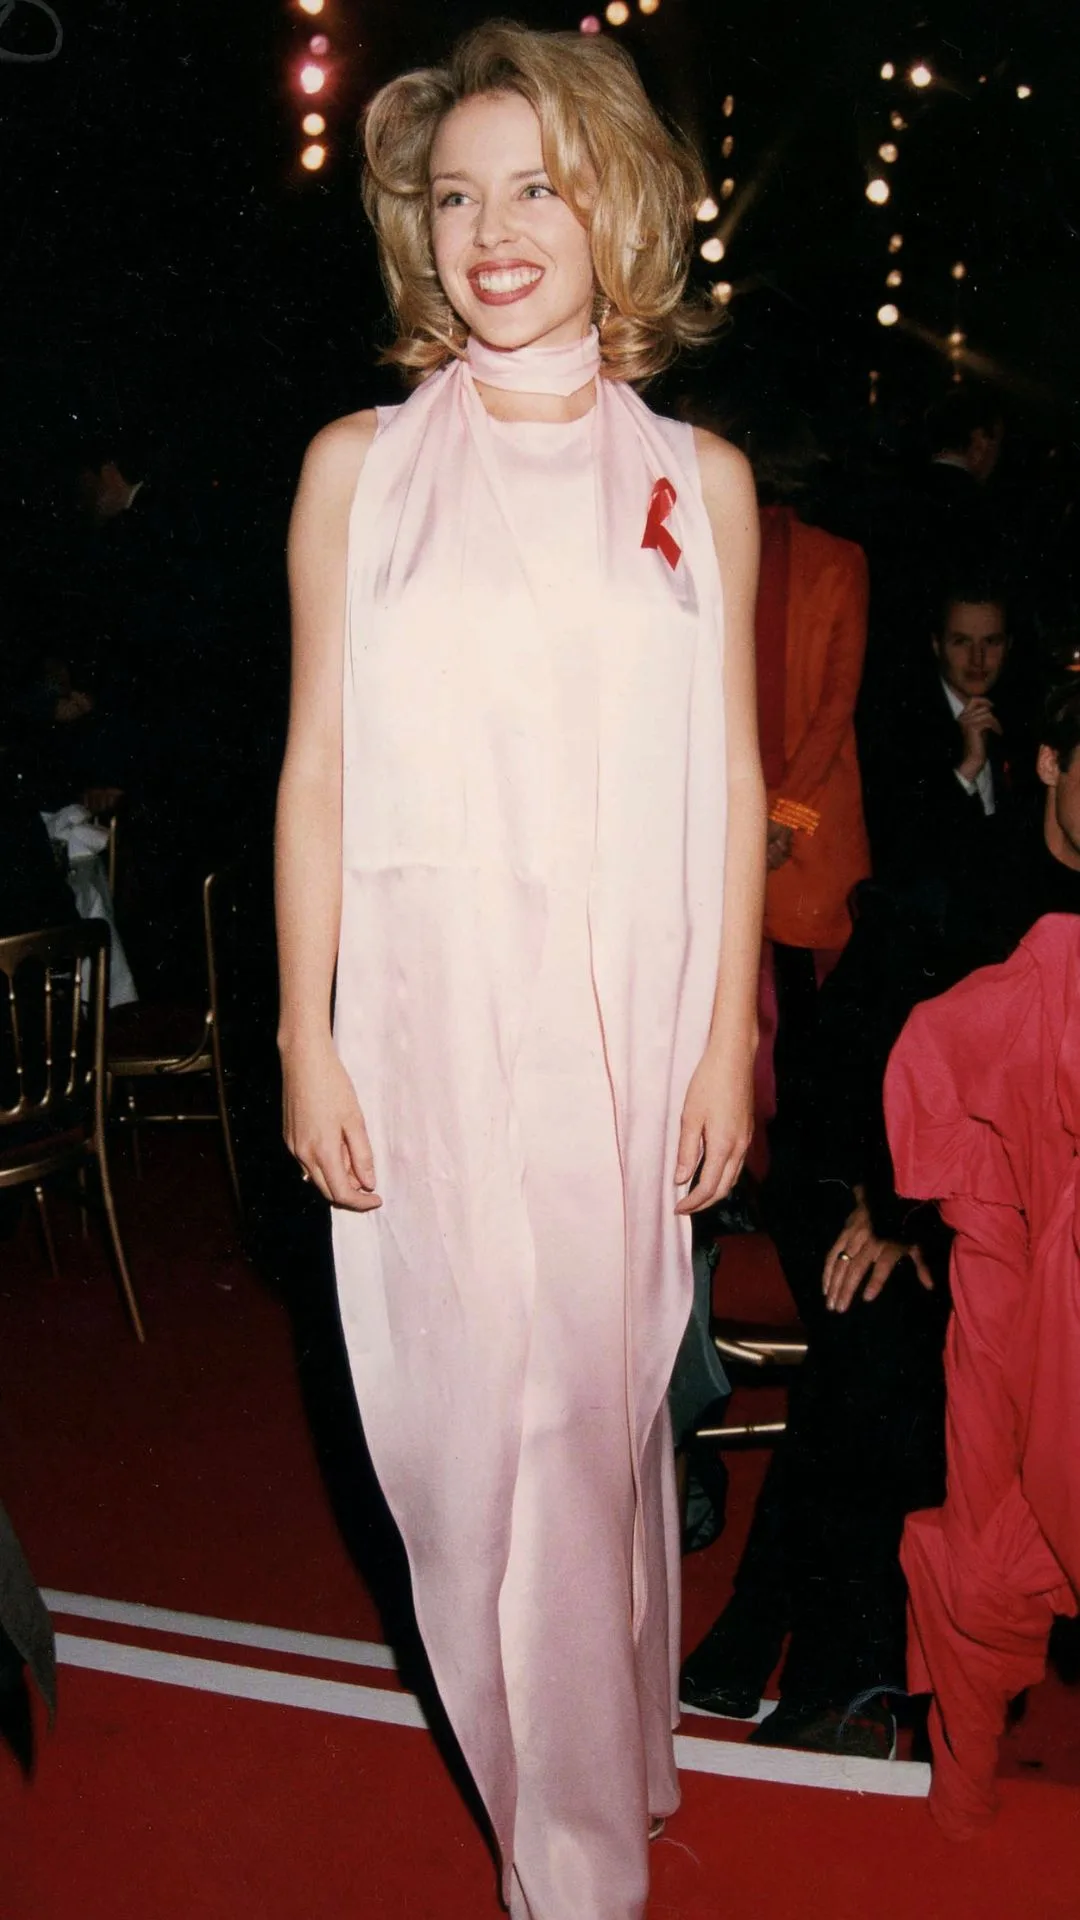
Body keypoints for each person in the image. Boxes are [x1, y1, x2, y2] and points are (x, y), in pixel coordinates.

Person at [274, 24, 765, 1920]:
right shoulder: (358, 471)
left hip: (629, 1029)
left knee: (580, 1415)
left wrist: (725, 1039)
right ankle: (610, 1741)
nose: (493, 231)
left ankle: (570, 1870)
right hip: (423, 1025)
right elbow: (313, 769)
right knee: (465, 1445)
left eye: (536, 187)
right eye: (457, 194)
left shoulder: (700, 483)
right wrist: (312, 1039)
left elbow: (731, 779)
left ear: (614, 206)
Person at [681, 678, 1080, 1759]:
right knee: (883, 1338)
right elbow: (851, 1048)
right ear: (1048, 764)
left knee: (929, 1339)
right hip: (853, 1168)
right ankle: (843, 1672)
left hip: (996, 1221)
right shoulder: (961, 868)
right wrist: (894, 1204)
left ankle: (760, 1633)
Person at [885, 913, 1080, 1838]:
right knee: (986, 1502)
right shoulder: (1041, 972)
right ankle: (961, 1796)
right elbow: (932, 1042)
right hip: (1023, 1261)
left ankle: (962, 1795)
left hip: (1027, 1259)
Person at [745, 408, 871, 1144]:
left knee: (785, 1025)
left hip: (788, 833)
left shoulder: (830, 561)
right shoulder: (841, 560)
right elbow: (835, 709)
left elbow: (831, 711)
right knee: (790, 1027)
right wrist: (780, 818)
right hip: (793, 830)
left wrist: (776, 818)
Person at [861, 583, 1013, 890]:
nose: (977, 658)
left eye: (991, 642)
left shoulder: (1018, 714)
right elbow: (901, 847)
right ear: (936, 645)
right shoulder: (895, 719)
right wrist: (968, 767)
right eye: (961, 642)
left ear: (1009, 646)